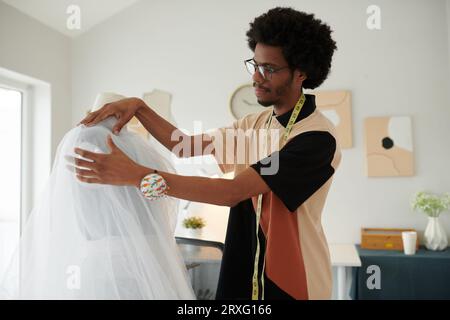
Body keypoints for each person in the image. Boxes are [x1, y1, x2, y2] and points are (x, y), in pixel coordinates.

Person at [77, 7, 340, 300]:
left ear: (301, 72)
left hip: (290, 281)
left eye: (269, 68)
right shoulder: (255, 124)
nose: (256, 76)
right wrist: (139, 107)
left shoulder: (316, 138)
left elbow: (232, 192)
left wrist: (139, 176)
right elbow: (185, 146)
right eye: (255, 64)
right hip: (243, 265)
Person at [0, 93, 195, 300]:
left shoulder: (86, 138)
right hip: (153, 262)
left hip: (108, 261)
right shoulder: (143, 149)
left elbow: (69, 202)